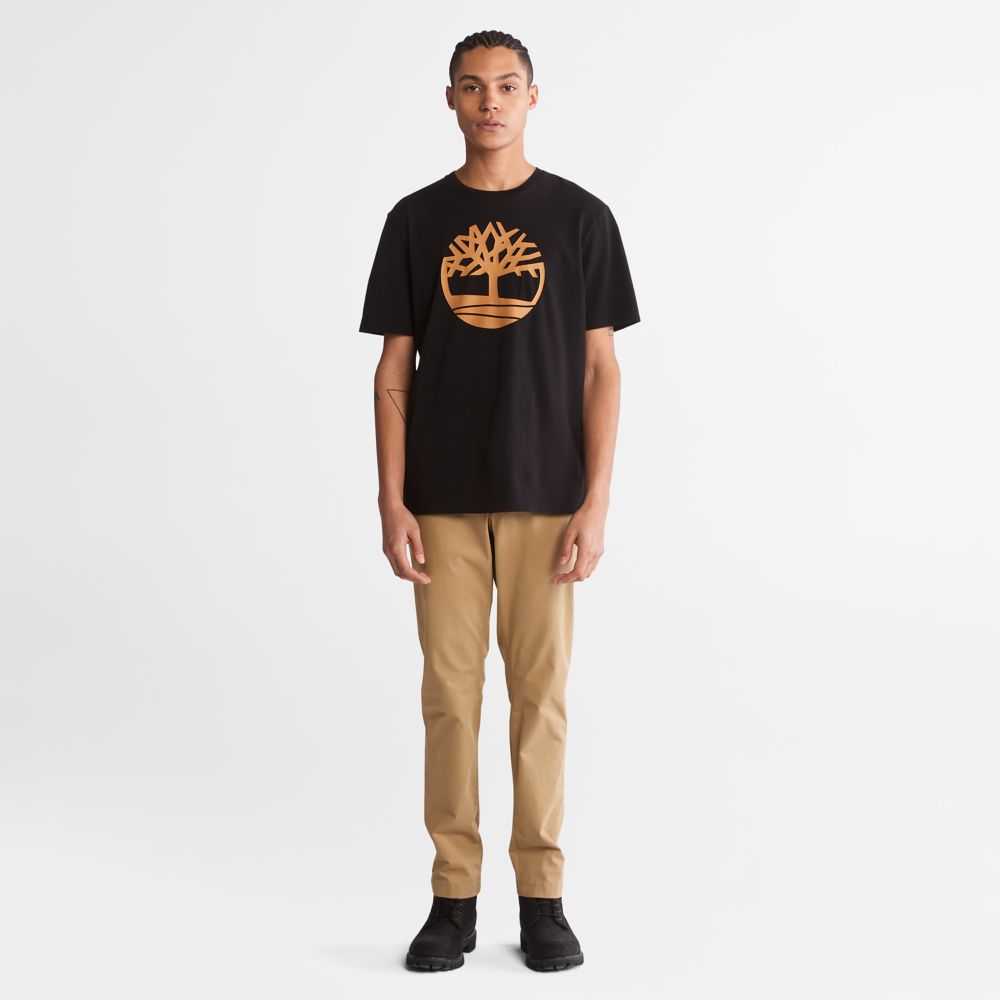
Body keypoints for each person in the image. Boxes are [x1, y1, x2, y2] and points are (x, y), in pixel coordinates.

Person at [358, 29, 640, 973]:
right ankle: (453, 898)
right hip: (440, 499)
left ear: (532, 97)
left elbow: (601, 369)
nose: (490, 102)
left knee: (539, 699)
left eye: (507, 86)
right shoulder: (415, 220)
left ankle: (543, 897)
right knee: (449, 697)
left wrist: (596, 502)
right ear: (450, 99)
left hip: (547, 497)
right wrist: (391, 498)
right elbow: (393, 369)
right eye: (473, 87)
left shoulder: (581, 219)